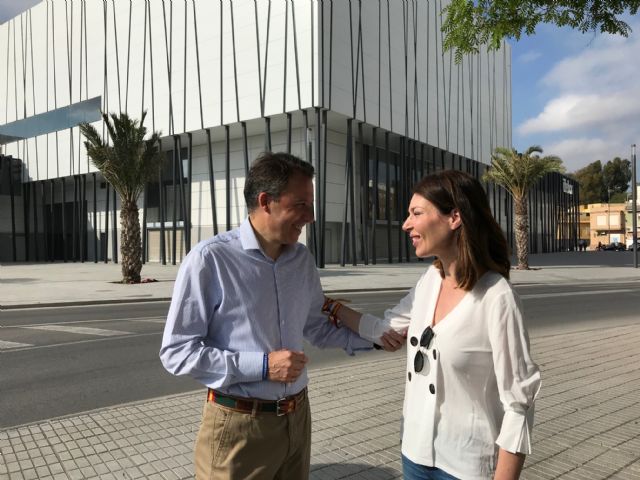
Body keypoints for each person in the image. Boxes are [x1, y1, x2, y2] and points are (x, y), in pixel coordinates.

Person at [159, 151, 402, 480]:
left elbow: (317, 327)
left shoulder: (301, 260)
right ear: (265, 201)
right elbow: (177, 352)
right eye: (301, 204)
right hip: (239, 429)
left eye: (311, 205)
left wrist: (377, 339)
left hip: (297, 419)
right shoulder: (210, 260)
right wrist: (263, 366)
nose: (311, 217)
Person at [325, 170, 541, 480]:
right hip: (414, 455)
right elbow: (386, 329)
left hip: (465, 466)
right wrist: (329, 306)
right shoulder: (430, 280)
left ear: (455, 217)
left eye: (416, 213)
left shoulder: (497, 297)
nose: (406, 224)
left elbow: (519, 404)